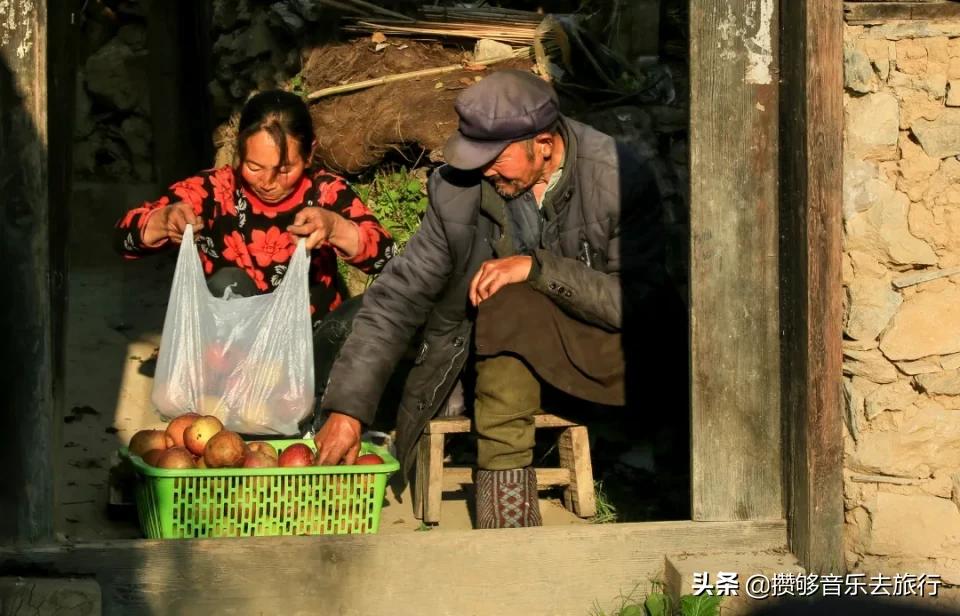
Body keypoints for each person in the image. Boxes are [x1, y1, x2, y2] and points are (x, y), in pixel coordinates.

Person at [313, 69, 669, 528]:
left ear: (543, 144)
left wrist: (538, 269)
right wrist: (347, 409)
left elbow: (639, 301)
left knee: (512, 296)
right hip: (498, 362)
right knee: (505, 304)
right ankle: (507, 504)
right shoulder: (458, 189)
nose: (482, 169)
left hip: (603, 356)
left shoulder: (618, 177)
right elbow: (396, 298)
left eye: (494, 157)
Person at [115, 89, 395, 431]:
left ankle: (316, 415)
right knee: (227, 283)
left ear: (310, 155)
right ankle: (232, 414)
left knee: (372, 308)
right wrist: (162, 221)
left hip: (305, 362)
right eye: (254, 167)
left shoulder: (325, 193)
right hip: (227, 363)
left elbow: (385, 256)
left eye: (285, 169)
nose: (268, 183)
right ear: (238, 154)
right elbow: (123, 237)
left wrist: (336, 227)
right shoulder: (212, 192)